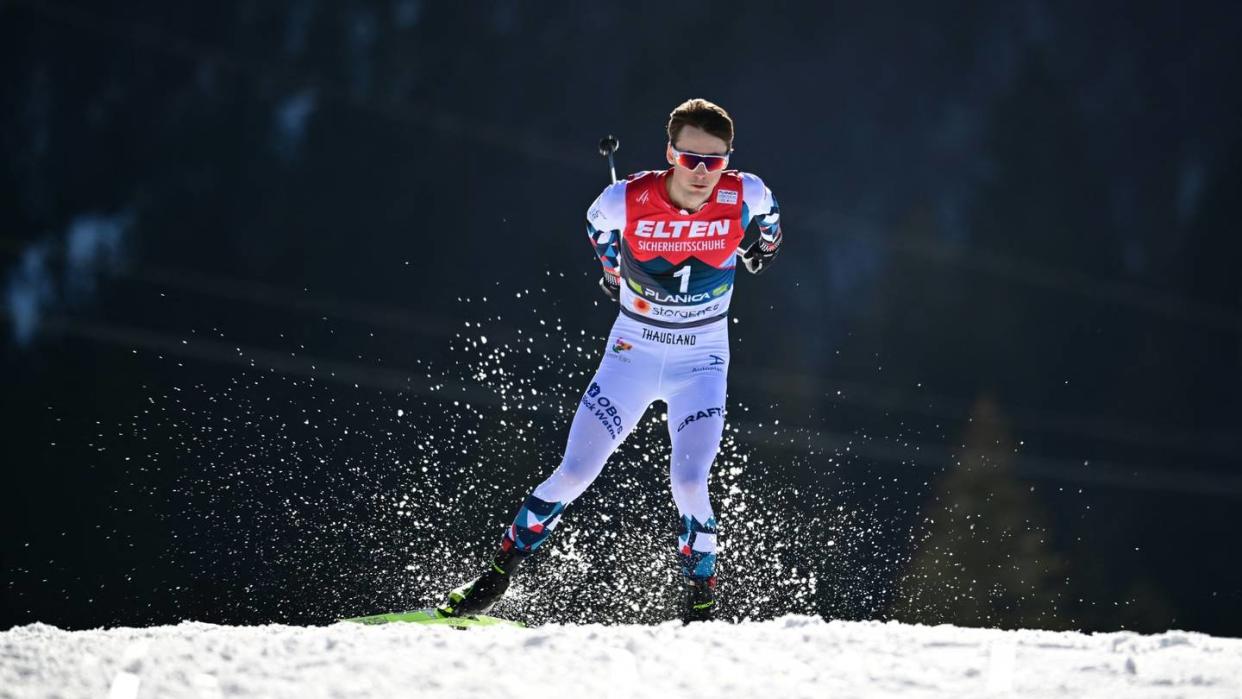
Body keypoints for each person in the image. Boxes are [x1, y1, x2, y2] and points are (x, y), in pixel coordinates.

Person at [438, 98, 782, 623]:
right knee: (574, 473)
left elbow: (772, 218)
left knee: (690, 484)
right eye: (691, 159)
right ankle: (497, 574)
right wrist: (611, 270)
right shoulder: (626, 198)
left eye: (714, 162)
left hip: (702, 363)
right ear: (671, 153)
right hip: (633, 355)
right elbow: (596, 227)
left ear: (727, 160)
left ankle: (702, 604)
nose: (701, 174)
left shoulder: (745, 192)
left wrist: (764, 248)